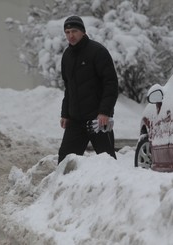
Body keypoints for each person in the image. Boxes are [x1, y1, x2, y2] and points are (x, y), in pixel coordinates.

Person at [58, 15, 118, 164]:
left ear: (83, 32)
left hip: (97, 119)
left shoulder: (97, 52)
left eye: (74, 31)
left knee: (108, 161)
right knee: (65, 162)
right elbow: (68, 87)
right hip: (75, 121)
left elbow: (111, 83)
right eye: (67, 32)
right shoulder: (67, 56)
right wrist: (65, 114)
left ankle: (112, 187)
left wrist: (105, 112)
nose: (70, 35)